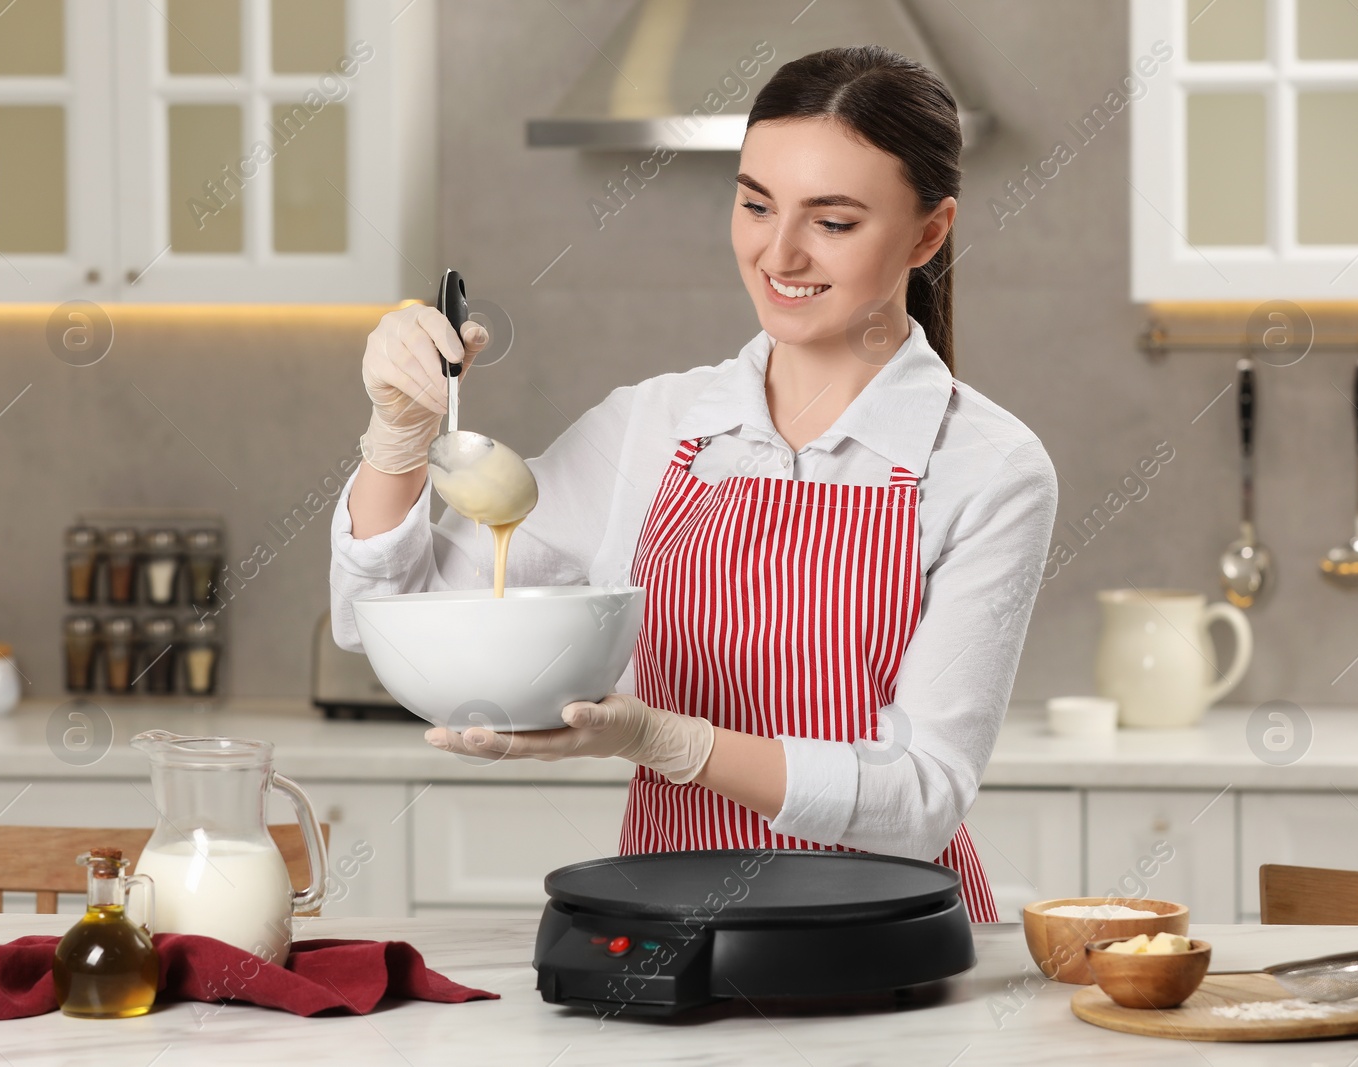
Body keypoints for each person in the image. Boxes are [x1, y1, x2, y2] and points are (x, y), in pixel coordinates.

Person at [329, 45, 1058, 923]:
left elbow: (924, 796)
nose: (777, 251)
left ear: (928, 232)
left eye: (832, 221)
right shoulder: (655, 425)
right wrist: (399, 436)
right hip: (671, 930)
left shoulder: (988, 467)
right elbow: (390, 615)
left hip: (883, 941)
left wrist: (667, 740)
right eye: (755, 204)